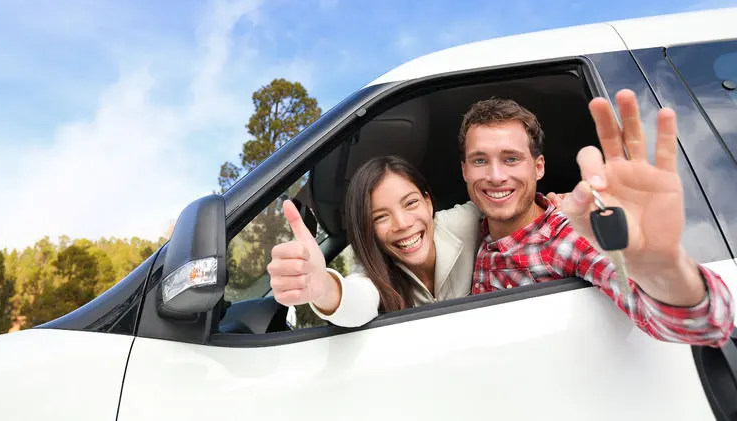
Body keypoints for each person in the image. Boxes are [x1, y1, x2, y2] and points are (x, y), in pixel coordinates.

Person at [460, 91, 734, 346]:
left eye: (511, 159)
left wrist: (663, 268)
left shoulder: (567, 237)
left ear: (538, 168)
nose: (495, 176)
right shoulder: (474, 232)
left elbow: (706, 326)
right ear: (465, 171)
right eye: (480, 160)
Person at [268, 155, 485, 327]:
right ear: (368, 229)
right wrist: (324, 288)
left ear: (428, 203)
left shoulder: (467, 221)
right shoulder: (372, 275)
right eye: (380, 217)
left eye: (410, 203)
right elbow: (357, 300)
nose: (402, 223)